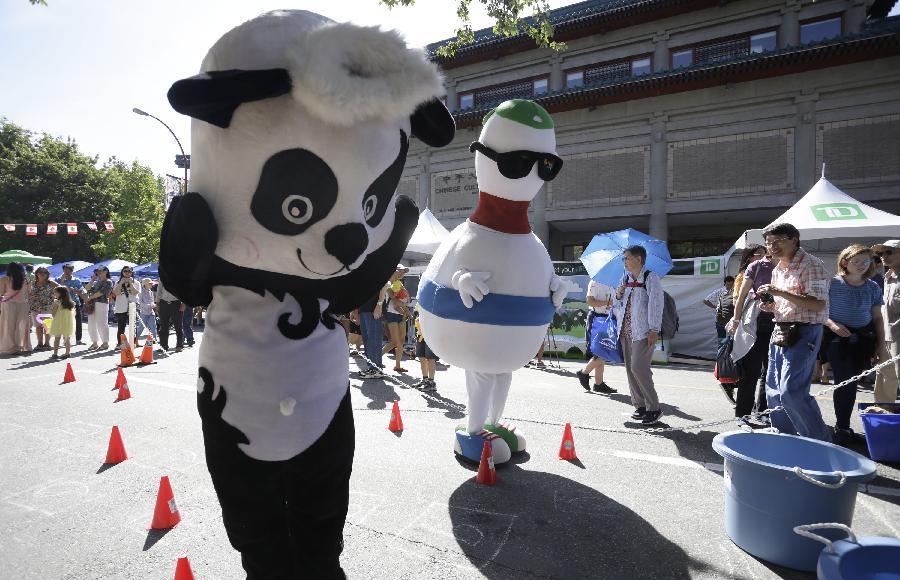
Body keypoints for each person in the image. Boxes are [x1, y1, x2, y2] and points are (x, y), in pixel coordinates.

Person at [757, 223, 831, 441]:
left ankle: (818, 441)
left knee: (792, 392)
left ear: (794, 239)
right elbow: (786, 302)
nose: (772, 246)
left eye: (778, 240)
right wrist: (771, 303)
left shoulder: (811, 264)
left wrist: (779, 292)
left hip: (804, 331)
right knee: (773, 389)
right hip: (780, 328)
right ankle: (783, 435)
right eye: (769, 242)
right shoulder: (778, 267)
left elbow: (817, 304)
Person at [822, 244, 887, 445]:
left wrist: (881, 345)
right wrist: (833, 325)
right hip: (836, 339)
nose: (861, 265)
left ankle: (844, 424)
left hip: (863, 340)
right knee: (845, 381)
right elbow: (821, 311)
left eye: (865, 261)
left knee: (853, 382)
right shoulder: (832, 283)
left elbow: (877, 318)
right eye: (856, 261)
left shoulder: (873, 286)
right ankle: (842, 426)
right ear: (845, 262)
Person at [615, 245, 665, 425]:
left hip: (643, 331)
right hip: (626, 330)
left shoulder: (651, 277)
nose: (624, 262)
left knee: (639, 368)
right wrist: (619, 292)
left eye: (627, 258)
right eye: (624, 259)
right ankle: (640, 406)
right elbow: (617, 301)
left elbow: (656, 304)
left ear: (639, 259)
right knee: (630, 369)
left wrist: (654, 329)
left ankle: (654, 408)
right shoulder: (625, 278)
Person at [727, 245, 772, 417]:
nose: (763, 257)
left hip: (775, 322)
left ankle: (764, 409)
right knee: (750, 371)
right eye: (758, 254)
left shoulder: (780, 267)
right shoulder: (747, 273)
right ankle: (743, 412)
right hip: (750, 323)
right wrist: (737, 320)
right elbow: (738, 300)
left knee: (769, 372)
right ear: (748, 258)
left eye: (764, 254)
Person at [575, 279, 616, 394]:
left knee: (601, 351)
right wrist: (608, 303)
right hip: (596, 318)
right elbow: (590, 301)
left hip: (608, 318)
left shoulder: (615, 282)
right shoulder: (595, 281)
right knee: (600, 352)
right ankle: (584, 372)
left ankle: (598, 384)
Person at [873, 240, 899, 403]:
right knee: (884, 375)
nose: (883, 256)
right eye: (881, 253)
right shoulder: (887, 277)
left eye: (889, 252)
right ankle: (883, 417)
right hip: (886, 335)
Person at [354, 284, 388, 379]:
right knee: (367, 340)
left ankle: (376, 369)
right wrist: (355, 310)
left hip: (374, 309)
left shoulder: (376, 269)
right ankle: (371, 368)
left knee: (374, 340)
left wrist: (379, 305)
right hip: (363, 309)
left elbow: (384, 286)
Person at [381, 264, 410, 373]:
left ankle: (397, 366)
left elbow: (407, 299)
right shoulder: (388, 284)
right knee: (394, 341)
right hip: (391, 314)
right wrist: (404, 305)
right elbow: (395, 300)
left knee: (401, 341)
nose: (403, 273)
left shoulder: (400, 283)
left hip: (400, 314)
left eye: (404, 272)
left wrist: (405, 308)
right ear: (394, 271)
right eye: (401, 271)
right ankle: (376, 359)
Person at [0, 263, 31, 355]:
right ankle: (20, 346)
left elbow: (1, 292)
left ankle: (9, 347)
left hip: (8, 304)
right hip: (23, 305)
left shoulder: (5, 279)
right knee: (21, 326)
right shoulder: (26, 280)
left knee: (8, 326)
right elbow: (28, 292)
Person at [28, 266, 58, 351]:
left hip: (47, 307)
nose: (42, 274)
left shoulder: (50, 283)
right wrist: (30, 296)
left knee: (47, 326)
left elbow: (61, 289)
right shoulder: (32, 283)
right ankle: (39, 344)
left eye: (44, 272)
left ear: (47, 274)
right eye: (40, 272)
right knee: (38, 327)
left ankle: (47, 344)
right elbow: (28, 293)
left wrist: (54, 296)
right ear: (36, 273)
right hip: (35, 308)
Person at [84, 266, 113, 350]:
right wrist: (92, 280)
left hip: (102, 303)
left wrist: (90, 298)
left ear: (106, 272)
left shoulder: (109, 282)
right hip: (93, 304)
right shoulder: (97, 282)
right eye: (97, 272)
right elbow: (86, 289)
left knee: (102, 323)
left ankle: (105, 342)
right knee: (91, 324)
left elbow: (101, 293)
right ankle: (94, 342)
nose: (98, 274)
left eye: (100, 272)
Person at [56, 264, 86, 345]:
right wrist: (62, 282)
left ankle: (78, 340)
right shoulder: (58, 279)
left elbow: (82, 291)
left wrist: (74, 290)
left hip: (75, 303)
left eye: (68, 270)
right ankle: (66, 340)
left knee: (78, 322)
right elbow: (56, 291)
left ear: (72, 271)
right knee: (65, 322)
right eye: (65, 270)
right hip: (63, 304)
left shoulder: (76, 280)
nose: (66, 272)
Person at [111, 266, 140, 348]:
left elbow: (135, 293)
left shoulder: (136, 282)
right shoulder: (117, 282)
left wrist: (130, 283)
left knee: (133, 326)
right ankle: (120, 343)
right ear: (122, 272)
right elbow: (116, 293)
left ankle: (133, 343)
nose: (127, 273)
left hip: (132, 307)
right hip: (121, 307)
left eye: (129, 271)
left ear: (132, 273)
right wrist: (121, 283)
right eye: (125, 271)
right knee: (121, 327)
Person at [156, 276, 184, 352]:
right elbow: (159, 290)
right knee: (163, 326)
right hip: (163, 303)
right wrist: (157, 303)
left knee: (178, 326)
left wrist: (183, 304)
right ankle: (163, 346)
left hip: (176, 303)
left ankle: (179, 345)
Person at [413, 306, 437, 390]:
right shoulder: (420, 300)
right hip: (420, 333)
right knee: (421, 357)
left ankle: (431, 382)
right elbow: (416, 313)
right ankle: (425, 379)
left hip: (431, 333)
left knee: (431, 358)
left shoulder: (434, 298)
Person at [705, 276, 734, 343]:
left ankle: (727, 352)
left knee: (731, 340)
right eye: (728, 284)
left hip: (731, 319)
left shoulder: (735, 291)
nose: (729, 286)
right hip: (721, 320)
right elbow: (705, 300)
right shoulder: (719, 291)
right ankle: (722, 352)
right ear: (724, 284)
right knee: (722, 340)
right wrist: (714, 307)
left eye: (731, 285)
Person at [48, 286, 75, 359]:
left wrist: (52, 310)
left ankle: (55, 354)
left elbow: (53, 314)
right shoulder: (71, 303)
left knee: (57, 338)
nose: (54, 294)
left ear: (60, 293)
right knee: (66, 338)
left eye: (55, 292)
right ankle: (67, 352)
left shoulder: (56, 302)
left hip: (58, 322)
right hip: (67, 323)